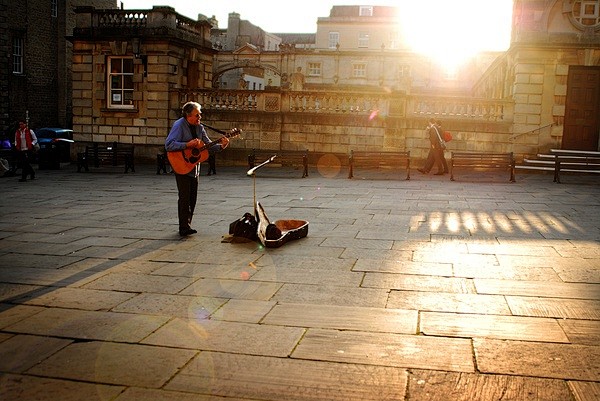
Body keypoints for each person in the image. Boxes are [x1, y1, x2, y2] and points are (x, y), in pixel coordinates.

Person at [165, 102, 229, 236]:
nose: (200, 117)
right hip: (181, 164)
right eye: (197, 115)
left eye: (200, 114)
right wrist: (186, 144)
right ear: (188, 115)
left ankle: (187, 225)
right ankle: (183, 227)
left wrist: (222, 145)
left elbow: (208, 146)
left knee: (192, 197)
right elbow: (169, 145)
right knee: (184, 197)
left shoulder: (200, 127)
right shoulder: (179, 125)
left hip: (194, 167)